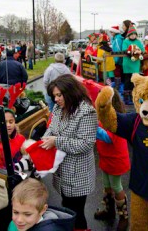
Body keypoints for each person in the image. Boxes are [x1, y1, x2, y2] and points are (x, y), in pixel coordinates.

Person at [41, 74, 97, 231]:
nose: (57, 99)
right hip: (62, 171)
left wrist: (56, 141)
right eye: (54, 96)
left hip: (78, 174)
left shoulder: (86, 112)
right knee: (67, 206)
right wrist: (44, 140)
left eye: (59, 95)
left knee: (76, 212)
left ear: (70, 91)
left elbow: (86, 144)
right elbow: (52, 127)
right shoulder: (59, 107)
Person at [94, 91, 130, 231]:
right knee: (107, 184)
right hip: (106, 158)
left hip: (116, 160)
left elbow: (109, 138)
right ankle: (109, 211)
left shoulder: (117, 118)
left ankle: (123, 217)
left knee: (116, 186)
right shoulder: (103, 116)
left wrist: (94, 127)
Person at [9, 178, 76, 231]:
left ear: (43, 210)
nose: (19, 220)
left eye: (27, 214)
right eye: (16, 212)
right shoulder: (17, 224)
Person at [121, 24, 144, 105]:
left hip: (135, 64)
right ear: (129, 35)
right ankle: (126, 98)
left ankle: (134, 97)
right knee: (127, 81)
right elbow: (124, 50)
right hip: (127, 64)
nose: (133, 36)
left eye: (134, 34)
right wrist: (131, 53)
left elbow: (142, 50)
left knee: (135, 81)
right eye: (131, 34)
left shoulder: (138, 41)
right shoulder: (125, 41)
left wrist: (138, 52)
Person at [109, 25, 125, 100]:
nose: (111, 33)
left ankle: (118, 90)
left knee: (117, 74)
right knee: (117, 74)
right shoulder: (114, 38)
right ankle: (117, 89)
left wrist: (115, 60)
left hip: (117, 60)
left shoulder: (118, 39)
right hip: (116, 59)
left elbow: (118, 51)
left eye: (111, 32)